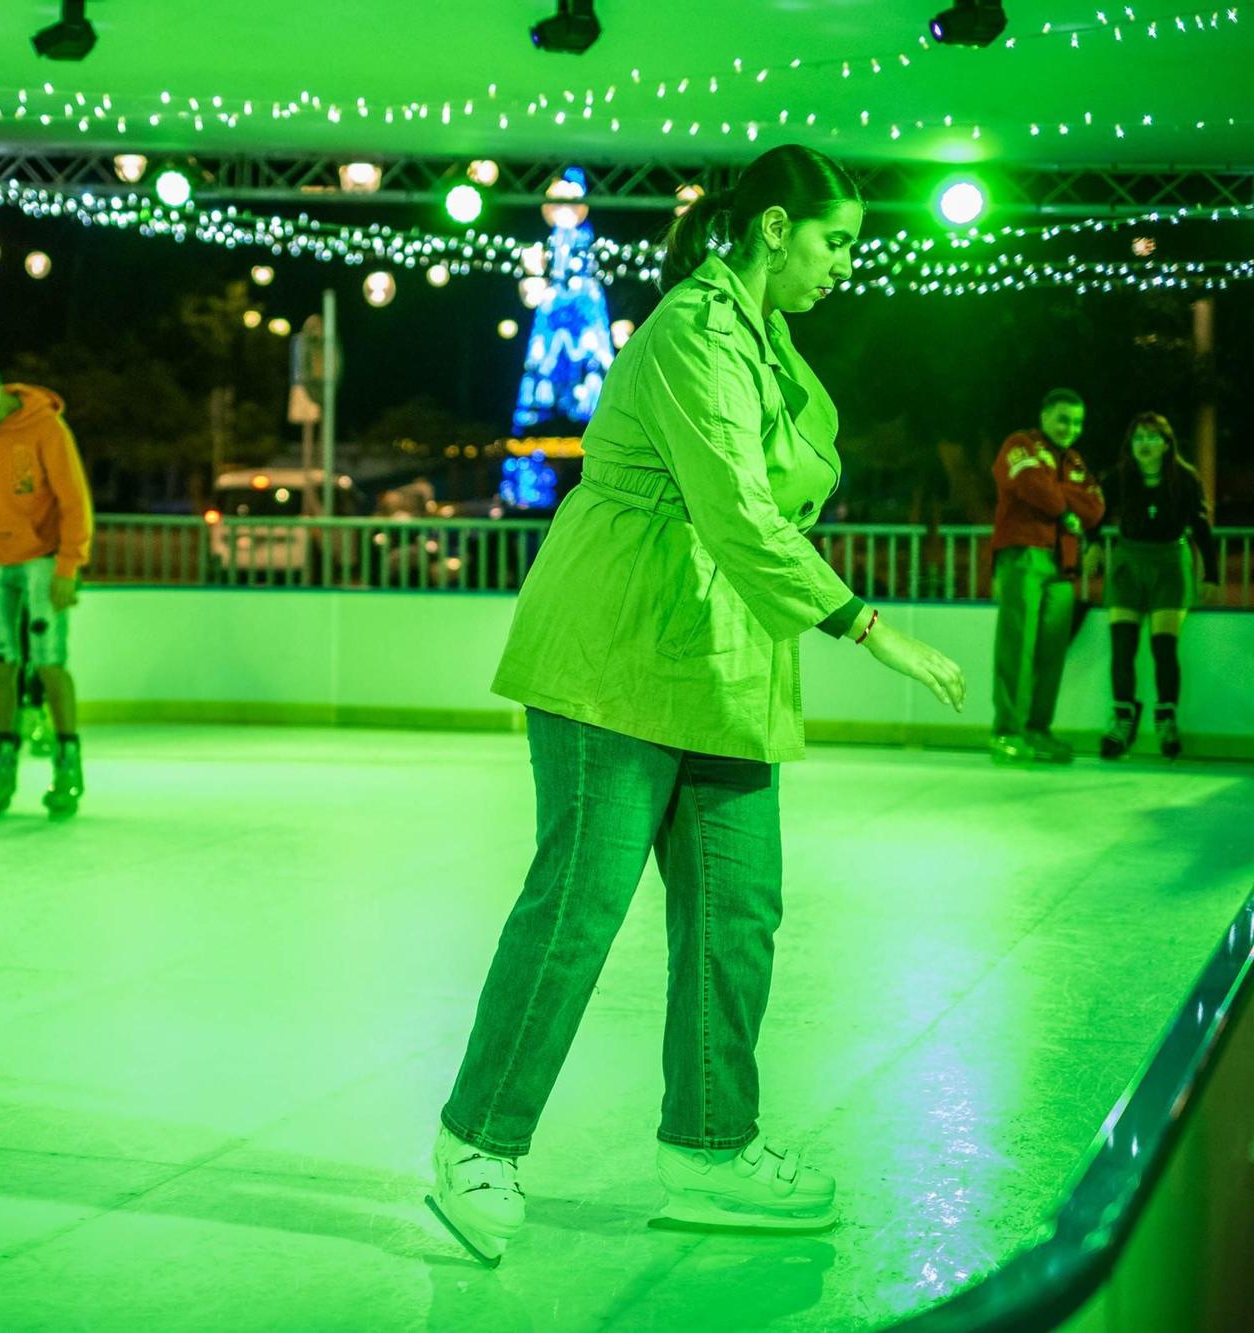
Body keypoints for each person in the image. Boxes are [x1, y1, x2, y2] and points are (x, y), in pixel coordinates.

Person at [425, 144, 966, 1266]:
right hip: (618, 645)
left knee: (736, 911)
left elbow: (770, 505)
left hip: (723, 652)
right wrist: (869, 627)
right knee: (577, 907)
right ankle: (475, 1142)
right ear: (773, 227)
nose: (841, 266)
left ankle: (709, 1146)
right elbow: (733, 506)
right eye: (833, 241)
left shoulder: (769, 344)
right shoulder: (689, 330)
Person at [0, 360, 94, 818]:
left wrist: (69, 565)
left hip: (42, 560)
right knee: (0, 662)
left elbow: (74, 500)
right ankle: (2, 766)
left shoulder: (46, 428)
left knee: (50, 662)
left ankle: (68, 764)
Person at [987, 388, 1105, 764]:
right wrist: (1065, 501)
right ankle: (1007, 732)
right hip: (1024, 557)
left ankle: (1038, 731)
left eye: (1078, 421)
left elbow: (1096, 508)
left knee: (1051, 654)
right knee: (1017, 649)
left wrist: (1062, 497)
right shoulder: (1019, 445)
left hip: (1063, 567)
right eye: (1063, 419)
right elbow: (1031, 487)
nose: (1071, 428)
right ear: (1044, 417)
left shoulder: (1074, 461)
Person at [1095, 412, 1220, 760]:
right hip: (1128, 563)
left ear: (1167, 444)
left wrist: (1210, 573)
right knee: (1123, 646)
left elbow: (1200, 527)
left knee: (1163, 648)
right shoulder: (1120, 477)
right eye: (1138, 438)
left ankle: (1166, 720)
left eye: (1152, 437)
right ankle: (1122, 719)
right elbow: (1093, 512)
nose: (1144, 444)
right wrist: (1091, 544)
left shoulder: (1185, 479)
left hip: (1169, 565)